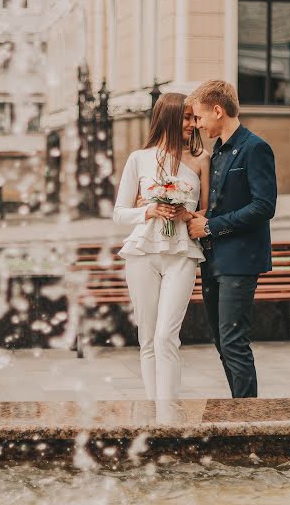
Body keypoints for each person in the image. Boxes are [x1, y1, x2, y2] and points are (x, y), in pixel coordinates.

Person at [113, 93, 210, 400]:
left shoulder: (201, 160)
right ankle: (154, 414)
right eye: (187, 118)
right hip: (142, 254)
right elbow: (119, 213)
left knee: (166, 335)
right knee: (147, 338)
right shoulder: (138, 159)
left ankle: (168, 415)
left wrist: (186, 213)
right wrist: (149, 210)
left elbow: (208, 211)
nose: (193, 124)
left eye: (195, 118)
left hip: (182, 253)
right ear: (168, 119)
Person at [186, 80, 277, 399]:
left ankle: (247, 425)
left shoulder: (256, 147)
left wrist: (210, 226)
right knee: (222, 342)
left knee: (234, 342)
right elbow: (218, 205)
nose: (197, 124)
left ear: (217, 110)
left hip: (240, 261)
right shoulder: (219, 152)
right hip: (215, 260)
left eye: (199, 117)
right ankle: (238, 413)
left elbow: (264, 206)